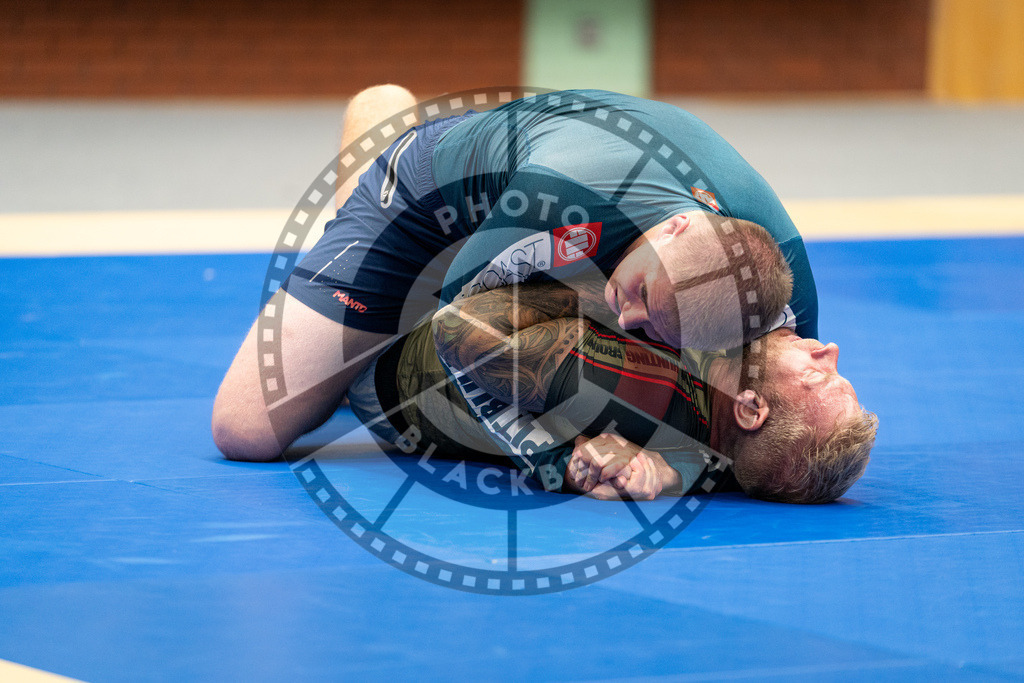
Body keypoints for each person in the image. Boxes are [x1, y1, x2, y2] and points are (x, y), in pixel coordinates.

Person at [213, 85, 815, 463]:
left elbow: (749, 423)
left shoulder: (778, 283)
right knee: (246, 428)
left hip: (565, 230)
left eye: (655, 323)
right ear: (676, 228)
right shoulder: (559, 195)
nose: (627, 317)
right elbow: (457, 339)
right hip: (434, 203)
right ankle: (383, 129)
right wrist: (561, 461)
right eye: (640, 297)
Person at [347, 278, 876, 504]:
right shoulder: (721, 442)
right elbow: (731, 465)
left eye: (818, 375)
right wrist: (673, 471)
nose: (828, 350)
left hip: (391, 353)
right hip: (463, 299)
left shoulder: (642, 383)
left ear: (750, 407)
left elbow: (463, 328)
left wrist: (630, 294)